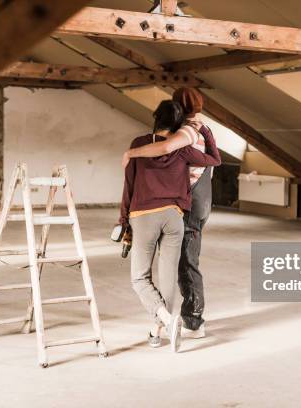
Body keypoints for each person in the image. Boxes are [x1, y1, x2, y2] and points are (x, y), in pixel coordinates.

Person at [119, 100, 221, 352]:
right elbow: (214, 160)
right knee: (168, 278)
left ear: (155, 118)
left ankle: (164, 320)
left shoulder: (138, 144)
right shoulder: (182, 149)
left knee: (139, 277)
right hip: (175, 217)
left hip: (143, 216)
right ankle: (157, 331)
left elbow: (129, 186)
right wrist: (205, 131)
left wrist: (123, 221)